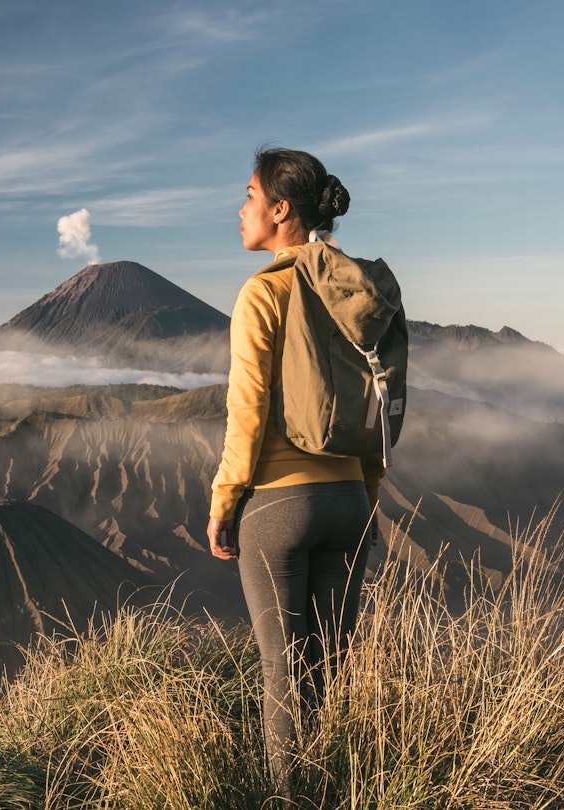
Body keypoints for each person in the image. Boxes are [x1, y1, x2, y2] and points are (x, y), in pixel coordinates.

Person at [206, 147, 385, 789]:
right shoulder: (353, 294)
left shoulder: (263, 292)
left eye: (250, 195)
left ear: (281, 210)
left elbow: (247, 410)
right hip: (350, 502)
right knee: (329, 675)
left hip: (280, 507)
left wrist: (225, 500)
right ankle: (344, 792)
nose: (242, 207)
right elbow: (377, 399)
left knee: (284, 680)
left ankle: (290, 799)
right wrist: (365, 491)